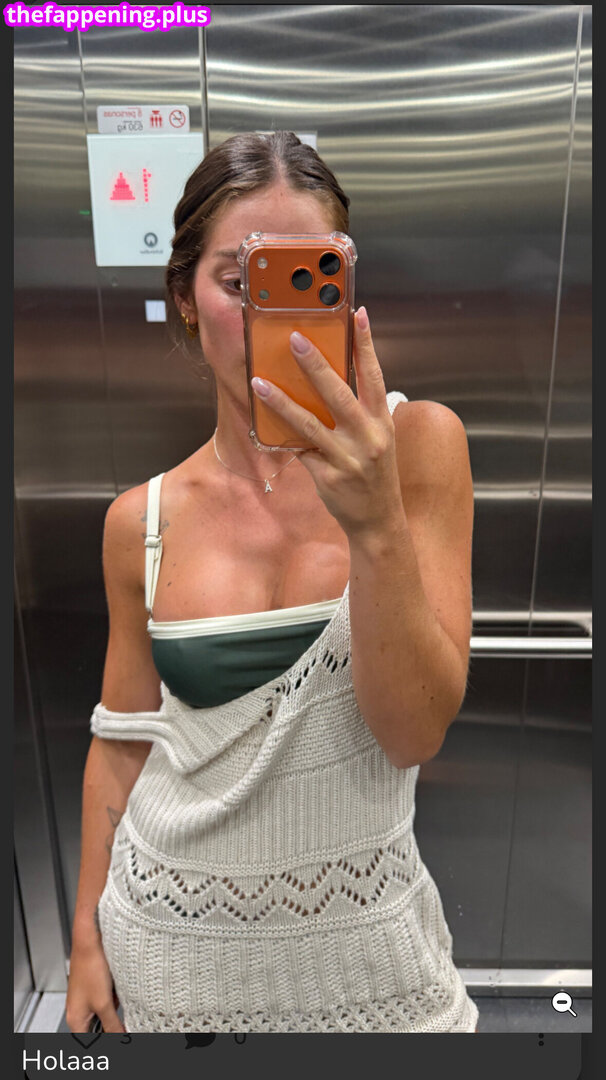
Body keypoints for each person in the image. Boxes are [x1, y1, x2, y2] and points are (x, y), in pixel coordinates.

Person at [66, 131, 478, 1034]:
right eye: (238, 281)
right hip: (169, 964)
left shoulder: (419, 449)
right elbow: (122, 743)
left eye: (309, 278)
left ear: (346, 288)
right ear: (184, 298)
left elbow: (413, 732)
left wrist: (374, 523)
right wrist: (86, 942)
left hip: (372, 969)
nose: (274, 319)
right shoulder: (141, 520)